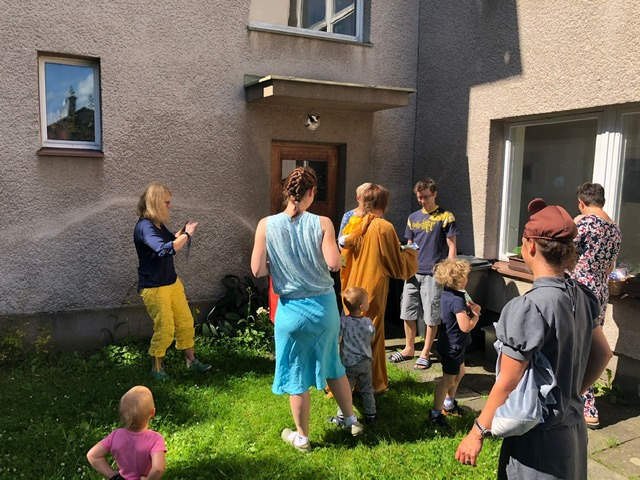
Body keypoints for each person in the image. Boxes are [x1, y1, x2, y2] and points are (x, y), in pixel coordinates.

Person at [455, 198, 612, 479]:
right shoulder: (582, 296)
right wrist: (571, 394)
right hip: (572, 432)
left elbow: (508, 381)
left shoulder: (529, 307)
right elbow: (603, 353)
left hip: (537, 441)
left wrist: (476, 432)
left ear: (530, 247)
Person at [251, 166, 364, 453]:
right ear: (312, 192)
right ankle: (350, 419)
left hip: (291, 310)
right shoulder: (323, 222)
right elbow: (334, 263)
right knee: (333, 363)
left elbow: (257, 269)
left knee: (295, 372)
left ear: (286, 191)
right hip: (323, 308)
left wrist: (282, 265)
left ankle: (302, 437)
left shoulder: (266, 224)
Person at [341, 184, 418, 393]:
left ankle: (344, 383)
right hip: (372, 289)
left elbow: (343, 255)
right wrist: (411, 252)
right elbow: (397, 265)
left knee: (349, 335)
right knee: (371, 335)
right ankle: (372, 384)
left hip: (352, 287)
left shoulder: (354, 224)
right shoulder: (384, 227)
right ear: (383, 203)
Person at [134, 182, 211, 380]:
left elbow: (171, 240)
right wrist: (187, 235)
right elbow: (164, 249)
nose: (169, 206)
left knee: (185, 321)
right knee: (165, 327)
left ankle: (191, 360)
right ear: (156, 203)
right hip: (154, 287)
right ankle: (157, 368)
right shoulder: (145, 227)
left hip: (171, 283)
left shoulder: (157, 225)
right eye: (166, 202)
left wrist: (182, 232)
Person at [388, 179, 458, 370]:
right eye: (419, 197)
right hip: (412, 272)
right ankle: (409, 348)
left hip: (434, 273)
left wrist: (450, 271)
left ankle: (426, 352)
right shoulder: (413, 217)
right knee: (407, 310)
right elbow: (410, 244)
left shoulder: (446, 216)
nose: (422, 201)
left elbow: (452, 246)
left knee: (431, 314)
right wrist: (403, 256)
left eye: (426, 197)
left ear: (434, 194)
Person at [570, 182, 621, 429]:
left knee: (580, 345)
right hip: (601, 289)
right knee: (591, 342)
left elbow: (564, 254)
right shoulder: (615, 229)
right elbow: (610, 267)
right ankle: (585, 400)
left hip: (581, 289)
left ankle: (585, 402)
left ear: (582, 202)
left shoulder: (584, 224)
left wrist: (574, 222)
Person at [429, 259, 480, 427]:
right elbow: (465, 326)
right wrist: (476, 315)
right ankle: (436, 414)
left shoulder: (448, 293)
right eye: (466, 276)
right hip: (453, 346)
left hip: (452, 343)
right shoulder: (457, 300)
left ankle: (449, 404)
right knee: (447, 381)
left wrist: (469, 307)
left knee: (460, 372)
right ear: (458, 280)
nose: (468, 278)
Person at [87, 386, 166, 480]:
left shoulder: (116, 435)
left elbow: (93, 456)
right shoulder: (155, 439)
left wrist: (112, 476)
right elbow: (158, 469)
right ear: (152, 412)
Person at [332, 286, 376, 424]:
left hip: (348, 363)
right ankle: (370, 413)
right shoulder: (368, 322)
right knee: (367, 389)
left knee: (345, 390)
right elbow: (372, 337)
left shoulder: (343, 322)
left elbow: (338, 339)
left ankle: (341, 416)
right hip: (365, 362)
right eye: (367, 301)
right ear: (362, 307)